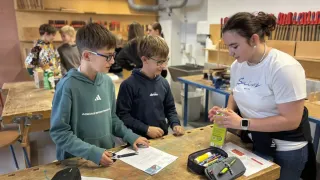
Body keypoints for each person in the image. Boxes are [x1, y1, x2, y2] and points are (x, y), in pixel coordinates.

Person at [208, 12, 315, 180]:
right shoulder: (238, 65)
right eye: (228, 46)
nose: (230, 52)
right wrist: (227, 114)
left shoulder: (283, 68)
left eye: (235, 46)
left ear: (254, 39)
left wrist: (241, 122)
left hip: (286, 149)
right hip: (258, 139)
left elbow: (291, 120)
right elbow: (235, 93)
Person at [50, 23, 149, 167]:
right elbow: (59, 133)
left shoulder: (107, 82)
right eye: (108, 56)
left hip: (107, 155)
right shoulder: (67, 86)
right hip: (78, 161)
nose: (113, 61)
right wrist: (91, 152)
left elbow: (112, 118)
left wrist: (130, 136)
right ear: (87, 55)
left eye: (113, 55)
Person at [116, 35, 184, 139]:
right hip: (138, 141)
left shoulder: (164, 83)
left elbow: (170, 109)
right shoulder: (128, 85)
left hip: (162, 138)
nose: (163, 66)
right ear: (144, 59)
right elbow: (123, 116)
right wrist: (146, 129)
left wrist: (175, 124)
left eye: (165, 61)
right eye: (159, 62)